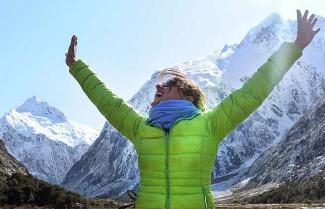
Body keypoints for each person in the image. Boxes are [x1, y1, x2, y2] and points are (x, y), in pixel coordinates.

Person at [65, 9, 320, 209]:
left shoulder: (210, 125)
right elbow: (108, 102)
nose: (159, 86)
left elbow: (252, 91)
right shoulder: (141, 128)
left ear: (187, 95)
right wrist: (76, 67)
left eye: (169, 84)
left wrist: (294, 47)